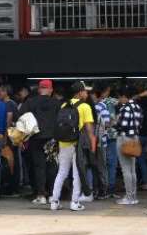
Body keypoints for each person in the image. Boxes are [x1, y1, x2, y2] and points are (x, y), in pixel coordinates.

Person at [51, 81, 95, 212]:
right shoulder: (85, 107)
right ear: (80, 92)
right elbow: (89, 129)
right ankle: (75, 202)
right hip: (77, 145)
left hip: (63, 143)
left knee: (61, 172)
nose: (87, 93)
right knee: (78, 173)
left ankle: (54, 201)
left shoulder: (64, 104)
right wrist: (92, 146)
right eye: (86, 91)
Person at [20, 79, 59, 205]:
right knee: (52, 165)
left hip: (36, 138)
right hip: (52, 139)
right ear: (51, 90)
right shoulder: (56, 103)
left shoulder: (30, 102)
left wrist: (22, 138)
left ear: (39, 89)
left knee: (39, 166)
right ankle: (53, 194)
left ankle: (41, 195)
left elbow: (22, 119)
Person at [115, 87, 143, 205]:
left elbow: (122, 125)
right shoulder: (137, 107)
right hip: (134, 139)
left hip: (124, 138)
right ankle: (133, 196)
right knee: (132, 169)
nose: (119, 99)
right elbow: (140, 123)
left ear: (124, 96)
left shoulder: (125, 108)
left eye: (120, 97)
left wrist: (114, 123)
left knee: (125, 169)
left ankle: (129, 197)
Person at [90, 84, 111, 199]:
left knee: (100, 166)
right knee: (98, 166)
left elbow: (106, 124)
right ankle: (100, 190)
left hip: (99, 142)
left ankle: (103, 190)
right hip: (98, 141)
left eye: (92, 95)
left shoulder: (101, 106)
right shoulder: (98, 106)